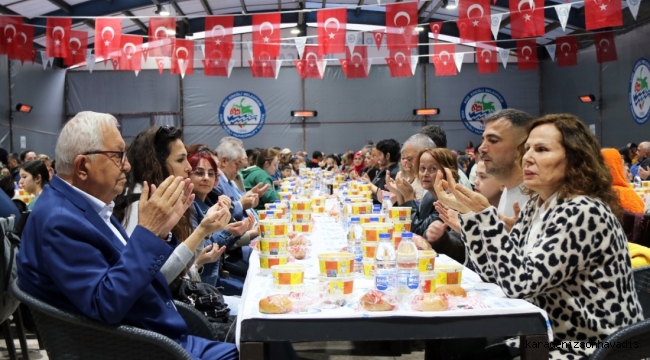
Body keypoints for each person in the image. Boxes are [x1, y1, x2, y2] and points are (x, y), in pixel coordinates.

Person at [16, 111, 238, 359]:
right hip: (146, 347)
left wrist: (160, 232)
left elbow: (124, 274)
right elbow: (106, 303)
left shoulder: (86, 206)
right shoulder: (59, 220)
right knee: (264, 345)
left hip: (159, 336)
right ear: (82, 167)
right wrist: (148, 232)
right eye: (118, 155)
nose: (127, 164)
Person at [435, 113, 643, 360]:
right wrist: (469, 215)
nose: (528, 158)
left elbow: (518, 285)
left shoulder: (582, 211)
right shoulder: (537, 205)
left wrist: (485, 216)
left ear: (575, 159)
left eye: (542, 149)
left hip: (593, 347)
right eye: (528, 149)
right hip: (548, 338)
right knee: (452, 347)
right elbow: (493, 274)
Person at [114, 126, 244, 286]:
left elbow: (182, 268)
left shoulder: (168, 199)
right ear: (157, 164)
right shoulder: (140, 205)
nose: (189, 167)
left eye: (212, 173)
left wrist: (202, 233)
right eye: (180, 160)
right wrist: (202, 232)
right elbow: (155, 280)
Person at [478, 109, 535, 217]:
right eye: (483, 140)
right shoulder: (508, 189)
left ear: (522, 147)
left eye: (493, 141)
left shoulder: (535, 199)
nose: (482, 148)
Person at [602, 148, 645, 213]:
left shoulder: (592, 195)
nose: (627, 168)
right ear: (616, 168)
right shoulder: (626, 195)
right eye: (623, 164)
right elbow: (642, 219)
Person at [396, 134, 436, 203]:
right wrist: (398, 192)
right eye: (403, 158)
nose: (425, 174)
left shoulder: (428, 181)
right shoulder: (408, 177)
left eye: (409, 159)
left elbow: (418, 212)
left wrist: (408, 196)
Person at [363, 139, 400, 204]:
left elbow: (385, 198)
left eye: (379, 154)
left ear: (387, 156)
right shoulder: (384, 170)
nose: (378, 158)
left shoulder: (395, 173)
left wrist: (369, 184)